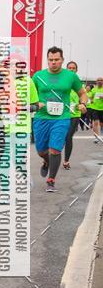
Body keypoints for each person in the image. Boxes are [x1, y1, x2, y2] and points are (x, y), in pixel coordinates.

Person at [31, 47, 87, 192]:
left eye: (56, 59)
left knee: (55, 149)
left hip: (62, 118)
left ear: (62, 60)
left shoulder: (70, 76)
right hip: (42, 117)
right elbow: (30, 94)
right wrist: (34, 104)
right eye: (51, 60)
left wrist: (83, 103)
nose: (53, 62)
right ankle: (46, 161)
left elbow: (82, 93)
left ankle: (51, 180)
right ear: (47, 60)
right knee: (41, 150)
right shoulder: (38, 76)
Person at [63, 61, 82, 169]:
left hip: (74, 115)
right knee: (59, 136)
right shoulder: (62, 82)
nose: (71, 69)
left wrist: (81, 104)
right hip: (62, 114)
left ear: (76, 70)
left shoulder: (79, 84)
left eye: (73, 68)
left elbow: (84, 97)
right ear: (66, 69)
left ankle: (66, 161)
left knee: (68, 136)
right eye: (69, 68)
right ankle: (51, 156)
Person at [91, 77, 103, 142]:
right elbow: (91, 97)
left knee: (101, 124)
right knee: (95, 122)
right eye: (98, 80)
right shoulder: (93, 89)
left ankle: (102, 134)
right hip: (95, 108)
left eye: (101, 80)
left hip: (102, 109)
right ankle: (96, 137)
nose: (99, 81)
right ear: (96, 82)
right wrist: (91, 100)